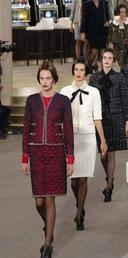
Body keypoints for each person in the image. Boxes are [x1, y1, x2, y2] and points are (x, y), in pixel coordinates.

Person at [22, 62, 74, 257]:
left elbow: (68, 130)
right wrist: (24, 157)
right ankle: (49, 227)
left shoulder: (62, 101)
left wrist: (70, 158)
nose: (45, 82)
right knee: (39, 201)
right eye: (42, 78)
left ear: (54, 79)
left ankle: (48, 244)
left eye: (48, 78)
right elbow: (26, 129)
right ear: (39, 79)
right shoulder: (31, 101)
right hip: (36, 153)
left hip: (56, 153)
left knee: (50, 198)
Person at [60, 58, 107, 231]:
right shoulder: (64, 91)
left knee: (83, 179)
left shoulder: (94, 92)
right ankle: (81, 205)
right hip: (70, 139)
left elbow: (97, 118)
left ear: (86, 72)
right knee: (73, 181)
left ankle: (79, 215)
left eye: (81, 70)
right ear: (73, 71)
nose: (79, 73)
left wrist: (102, 140)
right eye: (76, 70)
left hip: (88, 138)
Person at [89, 49, 128, 202]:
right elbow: (90, 101)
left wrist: (127, 121)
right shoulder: (93, 78)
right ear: (101, 60)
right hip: (99, 119)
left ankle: (108, 187)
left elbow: (125, 101)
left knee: (111, 153)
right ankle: (110, 177)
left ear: (114, 61)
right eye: (104, 57)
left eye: (110, 58)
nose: (107, 60)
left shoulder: (120, 78)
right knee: (103, 154)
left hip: (116, 117)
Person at [80, 0, 111, 70]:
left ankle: (104, 71)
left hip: (102, 31)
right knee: (94, 52)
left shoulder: (104, 3)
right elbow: (84, 19)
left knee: (103, 52)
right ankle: (88, 67)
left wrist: (107, 23)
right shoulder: (87, 4)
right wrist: (82, 32)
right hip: (91, 32)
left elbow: (107, 16)